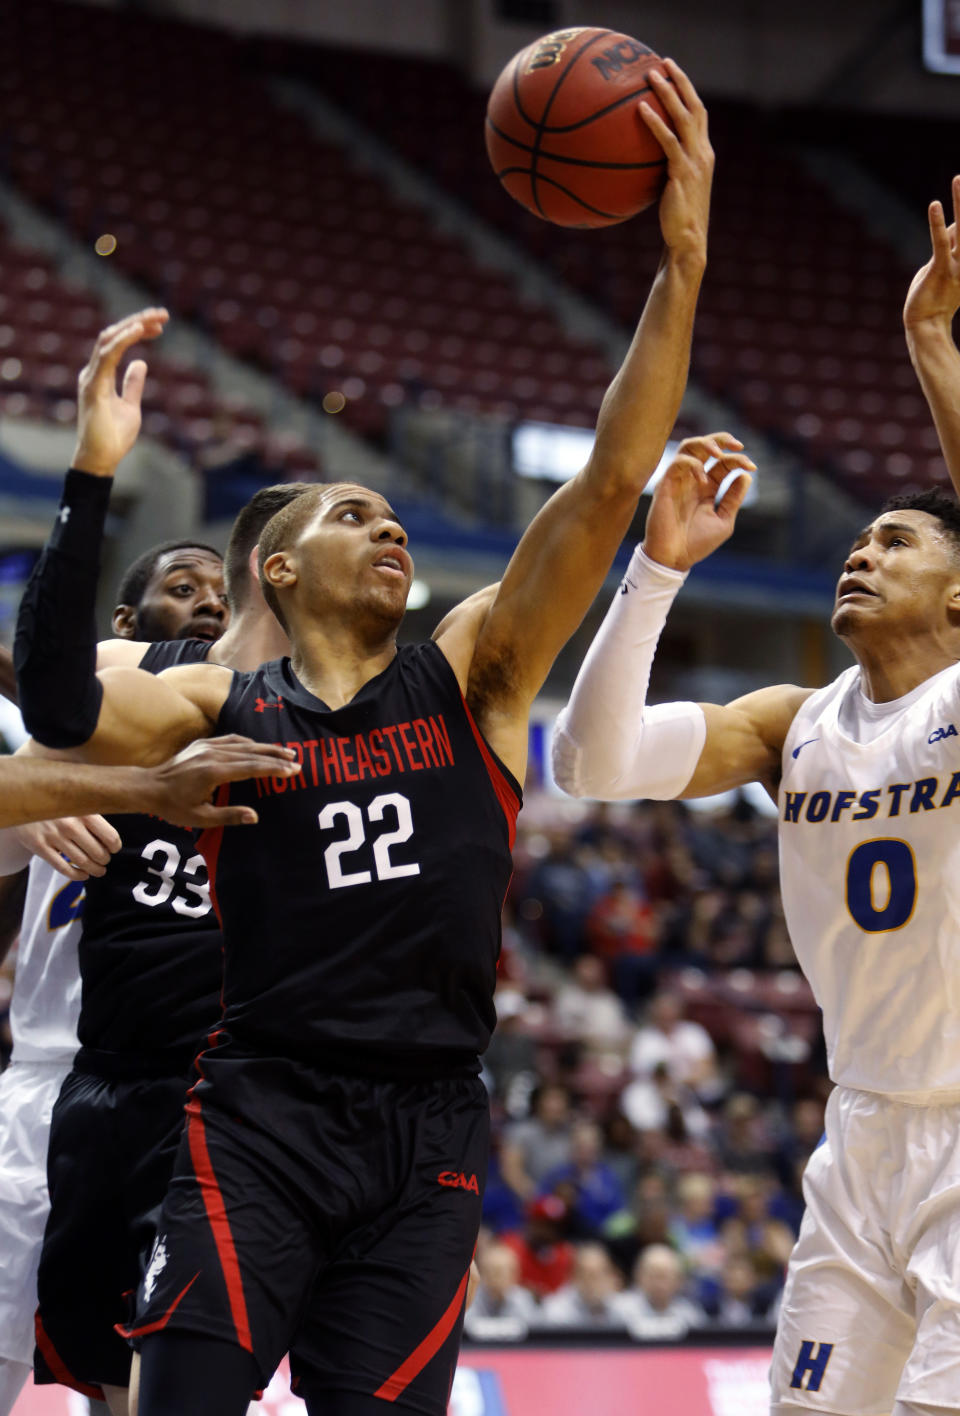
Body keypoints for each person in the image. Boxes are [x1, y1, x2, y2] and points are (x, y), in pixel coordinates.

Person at [21, 60, 715, 1416]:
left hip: (429, 1133)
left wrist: (678, 266)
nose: (385, 524)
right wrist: (95, 470)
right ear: (275, 573)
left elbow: (614, 481)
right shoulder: (224, 707)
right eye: (348, 516)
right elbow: (54, 706)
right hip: (258, 1116)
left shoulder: (476, 673)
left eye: (387, 514)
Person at [552, 180, 960, 1415]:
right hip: (862, 1138)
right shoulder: (799, 722)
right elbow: (592, 766)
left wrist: (933, 349)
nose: (862, 550)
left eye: (899, 541)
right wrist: (657, 572)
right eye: (861, 537)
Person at [9, 312, 315, 1415]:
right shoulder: (81, 721)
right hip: (56, 1082)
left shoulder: (267, 726)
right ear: (129, 627)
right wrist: (53, 792)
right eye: (182, 592)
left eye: (221, 596)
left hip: (201, 1089)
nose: (208, 609)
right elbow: (39, 721)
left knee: (158, 1380)